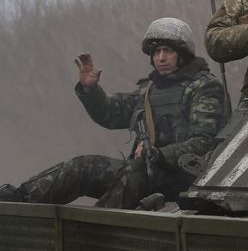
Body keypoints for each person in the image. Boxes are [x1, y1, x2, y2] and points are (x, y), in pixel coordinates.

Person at [0, 18, 226, 209]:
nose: (161, 57)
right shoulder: (149, 90)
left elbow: (202, 143)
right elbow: (110, 114)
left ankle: (91, 232)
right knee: (84, 167)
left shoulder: (204, 87)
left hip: (184, 178)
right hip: (144, 171)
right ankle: (17, 200)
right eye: (156, 52)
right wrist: (91, 90)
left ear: (182, 54)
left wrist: (158, 154)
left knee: (134, 170)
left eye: (167, 51)